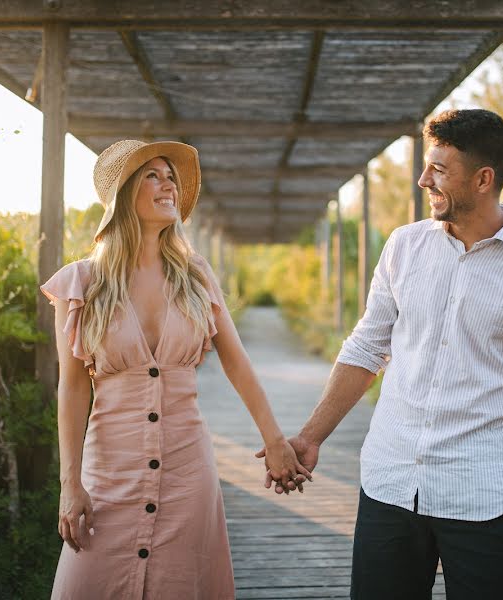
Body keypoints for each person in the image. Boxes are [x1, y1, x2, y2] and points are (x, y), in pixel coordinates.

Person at [261, 109, 503, 598]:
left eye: (439, 168)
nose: (423, 179)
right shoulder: (403, 247)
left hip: (480, 493)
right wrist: (312, 436)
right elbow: (367, 348)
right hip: (389, 484)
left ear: (484, 179)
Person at [41, 139, 309, 599]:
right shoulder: (80, 282)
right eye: (153, 175)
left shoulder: (196, 275)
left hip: (188, 471)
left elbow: (237, 362)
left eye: (172, 177)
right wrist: (71, 483)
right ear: (125, 193)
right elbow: (71, 389)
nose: (168, 185)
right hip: (109, 472)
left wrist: (275, 441)